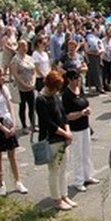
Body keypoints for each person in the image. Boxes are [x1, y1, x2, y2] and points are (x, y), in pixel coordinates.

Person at [36, 70, 74, 210]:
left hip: (63, 137)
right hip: (51, 139)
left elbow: (63, 115)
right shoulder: (41, 99)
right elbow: (48, 123)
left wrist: (68, 131)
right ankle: (56, 199)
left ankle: (64, 195)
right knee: (54, 170)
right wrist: (65, 133)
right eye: (55, 88)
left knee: (63, 169)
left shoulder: (55, 96)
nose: (57, 91)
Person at [0, 66, 26, 197]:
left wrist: (13, 123)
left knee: (12, 155)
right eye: (1, 75)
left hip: (8, 121)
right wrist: (2, 128)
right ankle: (1, 184)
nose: (3, 77)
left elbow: (10, 107)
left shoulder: (5, 90)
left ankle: (18, 181)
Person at [61, 69, 98, 193]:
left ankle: (87, 176)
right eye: (76, 79)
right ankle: (78, 180)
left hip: (85, 126)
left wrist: (87, 110)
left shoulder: (80, 90)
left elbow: (84, 103)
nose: (78, 81)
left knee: (87, 152)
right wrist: (81, 113)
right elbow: (67, 115)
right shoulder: (66, 95)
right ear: (70, 80)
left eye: (79, 78)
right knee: (77, 154)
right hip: (75, 128)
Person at [11, 40, 38, 134]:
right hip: (21, 87)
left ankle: (33, 124)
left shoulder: (29, 58)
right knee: (22, 106)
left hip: (30, 86)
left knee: (32, 106)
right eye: (22, 46)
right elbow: (15, 74)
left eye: (26, 46)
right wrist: (23, 84)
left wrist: (33, 82)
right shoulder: (15, 59)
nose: (25, 48)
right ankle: (24, 126)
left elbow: (34, 71)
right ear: (19, 46)